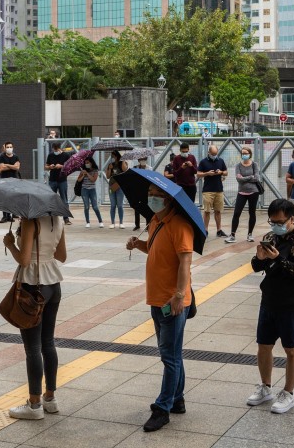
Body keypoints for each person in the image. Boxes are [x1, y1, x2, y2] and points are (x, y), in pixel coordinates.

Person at [125, 184, 195, 433]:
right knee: (173, 354)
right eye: (150, 194)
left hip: (171, 301)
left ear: (169, 200)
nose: (151, 198)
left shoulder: (180, 225)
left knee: (169, 357)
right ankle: (177, 400)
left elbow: (185, 262)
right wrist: (139, 244)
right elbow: (156, 250)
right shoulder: (155, 221)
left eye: (157, 196)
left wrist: (178, 295)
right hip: (155, 298)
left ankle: (162, 408)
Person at [246, 199, 294, 415]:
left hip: (291, 302)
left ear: (291, 219)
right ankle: (265, 387)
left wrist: (277, 260)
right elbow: (258, 267)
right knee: (263, 345)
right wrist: (259, 258)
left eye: (280, 221)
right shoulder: (270, 237)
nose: (275, 225)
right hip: (269, 300)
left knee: (291, 348)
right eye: (272, 221)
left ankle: (288, 392)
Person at [4, 214, 67, 420]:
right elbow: (62, 255)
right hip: (53, 283)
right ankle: (50, 399)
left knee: (32, 348)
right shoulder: (58, 220)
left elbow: (24, 259)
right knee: (48, 342)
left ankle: (34, 404)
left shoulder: (31, 221)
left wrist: (11, 244)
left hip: (32, 285)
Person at [227, 146, 260, 243]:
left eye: (246, 153)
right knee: (237, 213)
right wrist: (250, 177)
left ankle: (250, 234)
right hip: (241, 192)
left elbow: (257, 178)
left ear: (250, 154)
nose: (244, 155)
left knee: (252, 212)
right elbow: (238, 179)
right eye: (243, 153)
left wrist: (244, 178)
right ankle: (232, 234)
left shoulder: (254, 165)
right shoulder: (238, 166)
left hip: (253, 192)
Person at [197, 145, 228, 237]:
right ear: (209, 153)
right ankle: (205, 230)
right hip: (208, 190)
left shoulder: (220, 160)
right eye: (213, 154)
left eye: (216, 154)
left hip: (219, 189)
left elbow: (226, 172)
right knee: (207, 211)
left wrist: (221, 172)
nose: (214, 155)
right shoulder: (203, 162)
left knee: (218, 211)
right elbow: (198, 174)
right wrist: (207, 173)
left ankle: (219, 230)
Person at [45, 142, 72, 225]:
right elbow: (46, 166)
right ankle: (51, 217)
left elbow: (70, 166)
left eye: (57, 149)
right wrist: (50, 167)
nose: (55, 150)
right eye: (54, 149)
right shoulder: (50, 155)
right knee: (51, 198)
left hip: (62, 180)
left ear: (60, 148)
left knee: (64, 200)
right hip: (52, 180)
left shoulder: (66, 155)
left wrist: (61, 166)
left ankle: (66, 218)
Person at [0, 142, 21, 222]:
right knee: (4, 197)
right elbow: (1, 168)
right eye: (8, 147)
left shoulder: (16, 157)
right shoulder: (1, 157)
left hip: (14, 179)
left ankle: (10, 214)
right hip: (4, 179)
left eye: (10, 147)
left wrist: (7, 165)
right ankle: (5, 216)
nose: (9, 148)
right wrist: (12, 166)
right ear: (5, 148)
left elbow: (17, 168)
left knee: (12, 197)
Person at [76, 157, 104, 228]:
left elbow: (93, 180)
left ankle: (100, 221)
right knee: (86, 206)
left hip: (92, 190)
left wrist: (87, 174)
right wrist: (83, 175)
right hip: (84, 190)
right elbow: (78, 180)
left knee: (95, 207)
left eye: (88, 163)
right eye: (85, 163)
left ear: (91, 163)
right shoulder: (83, 170)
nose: (86, 164)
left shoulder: (95, 170)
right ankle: (87, 222)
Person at [105, 151, 129, 229]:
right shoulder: (110, 164)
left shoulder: (122, 163)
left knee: (120, 205)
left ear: (117, 155)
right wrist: (109, 169)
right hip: (112, 186)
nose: (113, 157)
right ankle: (112, 222)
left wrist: (123, 160)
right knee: (112, 205)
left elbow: (125, 171)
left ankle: (121, 222)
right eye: (112, 156)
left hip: (120, 186)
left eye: (114, 156)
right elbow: (108, 176)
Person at [132, 157, 150, 231]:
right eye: (141, 160)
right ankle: (137, 225)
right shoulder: (135, 168)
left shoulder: (149, 168)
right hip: (137, 189)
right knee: (136, 208)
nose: (143, 161)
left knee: (147, 207)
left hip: (145, 190)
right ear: (139, 161)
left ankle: (147, 225)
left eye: (144, 159)